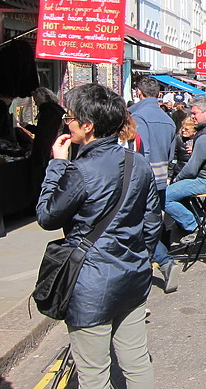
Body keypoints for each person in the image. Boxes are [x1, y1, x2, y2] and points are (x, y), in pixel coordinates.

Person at [36, 83, 158, 388]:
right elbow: (153, 223)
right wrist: (137, 257)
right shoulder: (138, 163)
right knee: (137, 360)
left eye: (70, 117)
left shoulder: (79, 170)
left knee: (93, 372)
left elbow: (47, 216)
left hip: (89, 283)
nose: (67, 123)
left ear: (88, 126)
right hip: (132, 274)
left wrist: (56, 165)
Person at [129, 76, 180, 293]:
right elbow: (171, 153)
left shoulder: (137, 116)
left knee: (138, 228)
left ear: (139, 92)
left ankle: (161, 263)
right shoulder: (167, 119)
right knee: (150, 226)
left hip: (143, 179)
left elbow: (141, 151)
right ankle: (158, 264)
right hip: (161, 180)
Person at [165, 97, 206, 243]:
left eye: (194, 113)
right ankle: (203, 221)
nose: (191, 116)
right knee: (178, 195)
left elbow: (191, 169)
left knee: (163, 197)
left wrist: (176, 179)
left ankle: (195, 225)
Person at [25, 87, 65, 185]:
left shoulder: (47, 111)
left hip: (47, 151)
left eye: (36, 101)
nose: (35, 104)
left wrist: (28, 127)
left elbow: (43, 132)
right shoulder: (57, 109)